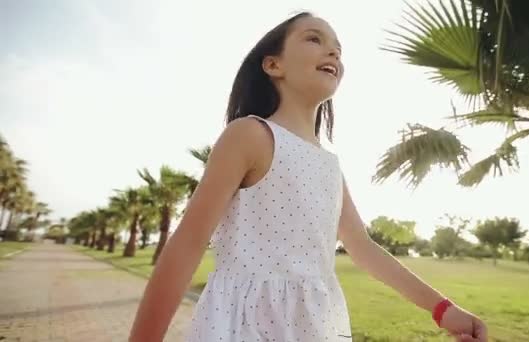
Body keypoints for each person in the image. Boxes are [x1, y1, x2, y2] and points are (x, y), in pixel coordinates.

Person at [128, 11, 488, 342]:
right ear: (273, 64)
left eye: (338, 49)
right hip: (243, 325)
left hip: (314, 326)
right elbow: (188, 244)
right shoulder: (250, 134)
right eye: (315, 39)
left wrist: (442, 309)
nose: (333, 53)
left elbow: (362, 247)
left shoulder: (329, 164)